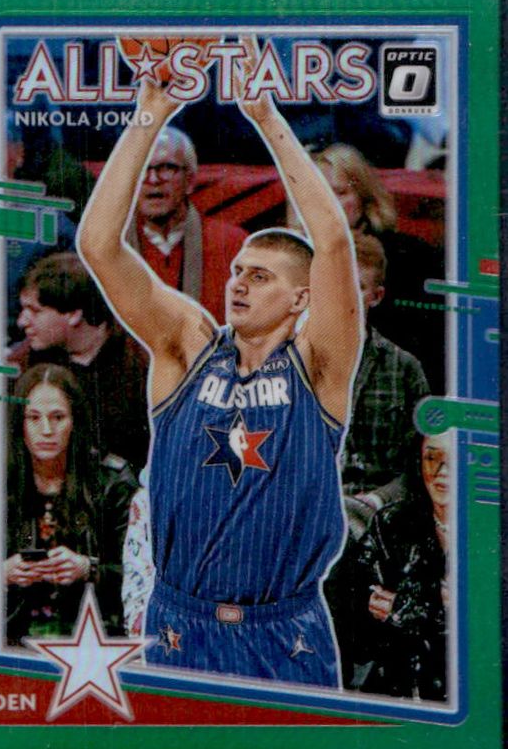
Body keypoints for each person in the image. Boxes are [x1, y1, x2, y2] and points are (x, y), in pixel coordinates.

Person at [77, 36, 363, 686]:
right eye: (236, 271)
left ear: (301, 297)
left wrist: (264, 116)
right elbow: (98, 245)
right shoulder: (187, 344)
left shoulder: (318, 366)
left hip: (285, 629)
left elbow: (332, 244)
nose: (237, 283)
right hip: (180, 622)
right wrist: (150, 111)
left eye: (259, 276)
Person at [4, 364, 138, 644]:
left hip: (93, 636)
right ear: (19, 423)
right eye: (33, 417)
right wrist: (0, 574)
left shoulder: (112, 481)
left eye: (58, 417)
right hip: (11, 636)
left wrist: (88, 568)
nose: (46, 430)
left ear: (74, 420)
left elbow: (141, 573)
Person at [311, 143, 445, 393]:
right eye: (318, 194)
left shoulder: (410, 255)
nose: (329, 204)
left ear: (362, 196)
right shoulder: (291, 256)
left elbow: (431, 343)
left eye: (340, 192)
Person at [7, 251, 150, 471]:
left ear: (74, 314)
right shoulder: (22, 366)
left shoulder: (141, 367)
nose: (22, 321)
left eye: (35, 311)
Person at [348, 432, 450, 701]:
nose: (442, 471)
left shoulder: (493, 535)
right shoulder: (390, 524)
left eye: (456, 459)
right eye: (432, 457)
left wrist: (408, 609)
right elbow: (359, 627)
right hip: (396, 690)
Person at [341, 233, 430, 536]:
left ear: (376, 296)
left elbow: (423, 464)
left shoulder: (404, 368)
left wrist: (375, 502)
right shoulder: (289, 363)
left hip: (382, 518)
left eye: (357, 287)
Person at [125, 126, 248, 324]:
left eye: (167, 168)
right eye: (141, 168)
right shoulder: (111, 244)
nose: (153, 179)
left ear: (189, 181)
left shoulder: (232, 244)